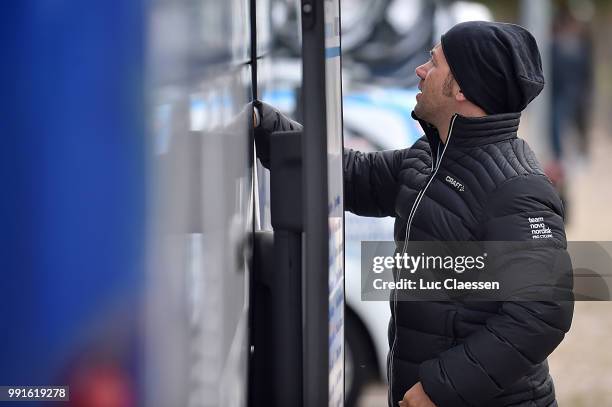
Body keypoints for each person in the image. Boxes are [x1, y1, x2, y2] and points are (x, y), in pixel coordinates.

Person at [254, 21, 574, 407]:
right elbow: (350, 176)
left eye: (433, 62)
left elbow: (541, 314)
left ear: (460, 88)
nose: (420, 71)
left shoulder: (518, 188)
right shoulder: (429, 158)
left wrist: (440, 387)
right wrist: (265, 126)